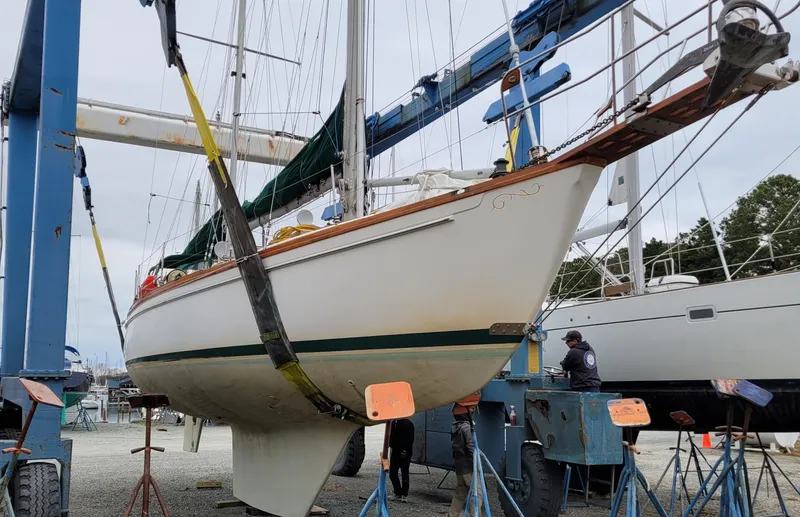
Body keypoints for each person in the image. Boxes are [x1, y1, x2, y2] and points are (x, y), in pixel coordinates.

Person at [448, 404, 480, 517]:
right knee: (477, 493)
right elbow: (470, 446)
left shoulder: (454, 427)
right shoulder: (466, 427)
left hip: (459, 465)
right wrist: (476, 462)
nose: (471, 411)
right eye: (470, 410)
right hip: (468, 465)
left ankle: (452, 515)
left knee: (460, 493)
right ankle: (475, 514)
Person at [389, 418, 415, 502]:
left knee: (399, 472)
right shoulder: (395, 422)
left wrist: (404, 450)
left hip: (403, 451)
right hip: (398, 450)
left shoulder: (406, 424)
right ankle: (401, 493)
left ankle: (401, 493)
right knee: (400, 472)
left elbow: (409, 440)